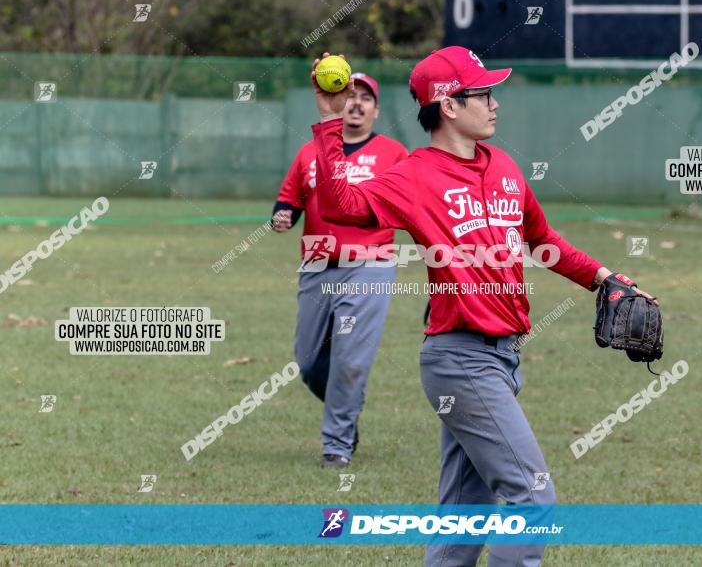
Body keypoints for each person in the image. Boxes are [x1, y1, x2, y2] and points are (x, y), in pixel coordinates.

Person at [308, 48, 657, 565]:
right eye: (483, 93)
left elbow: (543, 241)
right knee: (533, 500)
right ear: (448, 105)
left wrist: (607, 278)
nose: (494, 103)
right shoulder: (414, 174)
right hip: (459, 359)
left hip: (502, 359)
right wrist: (331, 125)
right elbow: (342, 206)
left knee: (462, 520)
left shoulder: (504, 167)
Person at [272, 72, 408, 469]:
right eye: (351, 95)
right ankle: (346, 411)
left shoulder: (393, 154)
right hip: (316, 260)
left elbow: (410, 200)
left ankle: (337, 444)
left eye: (366, 98)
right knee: (310, 362)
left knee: (350, 361)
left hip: (369, 262)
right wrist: (283, 216)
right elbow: (290, 198)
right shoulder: (309, 152)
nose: (357, 102)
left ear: (376, 110)